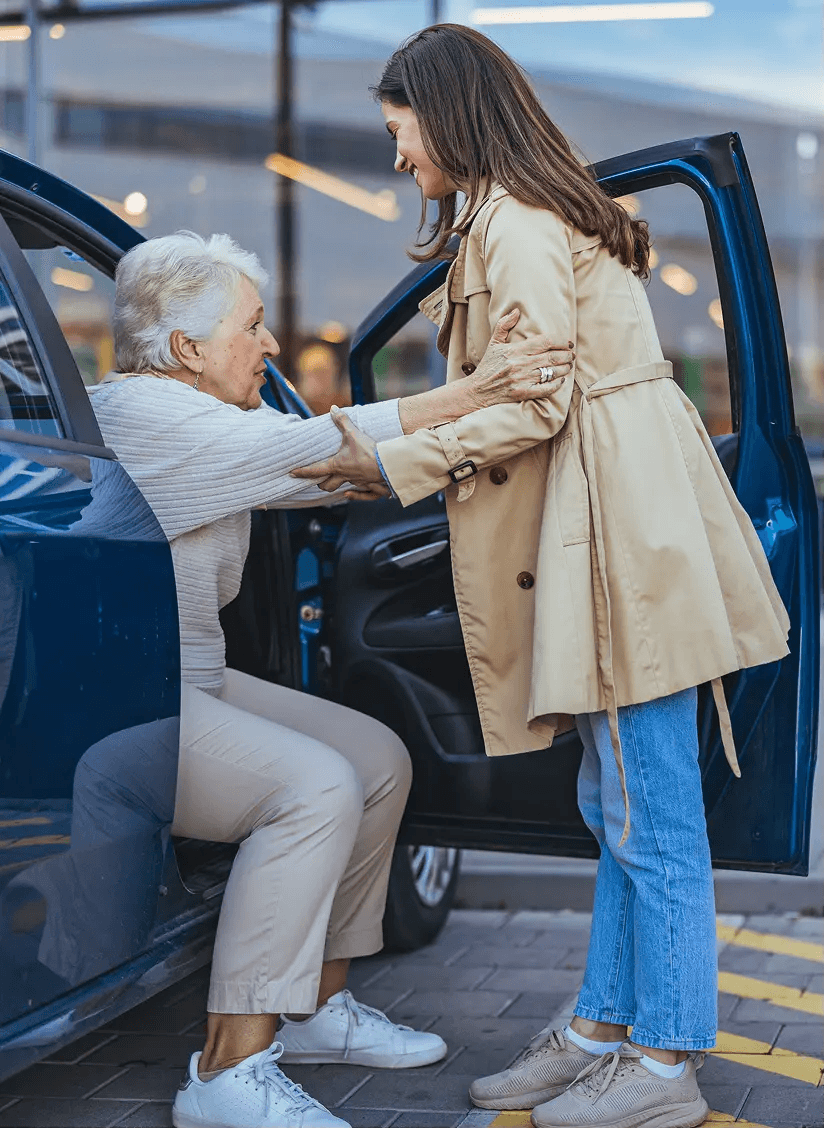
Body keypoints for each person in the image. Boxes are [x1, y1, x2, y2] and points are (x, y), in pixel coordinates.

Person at [293, 25, 791, 1129]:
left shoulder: (515, 221)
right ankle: (605, 1028)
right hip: (617, 517)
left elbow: (533, 401)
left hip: (614, 526)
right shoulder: (529, 211)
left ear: (447, 112)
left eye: (399, 132)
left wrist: (382, 463)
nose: (397, 159)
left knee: (648, 806)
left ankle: (662, 1065)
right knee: (617, 795)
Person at [87, 229, 574, 1129]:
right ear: (188, 350)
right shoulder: (144, 417)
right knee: (313, 786)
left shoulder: (208, 427)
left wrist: (465, 419)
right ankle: (227, 1070)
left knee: (376, 755)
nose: (272, 346)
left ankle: (311, 1004)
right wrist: (475, 392)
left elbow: (324, 469)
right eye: (254, 326)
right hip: (122, 704)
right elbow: (317, 444)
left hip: (191, 676)